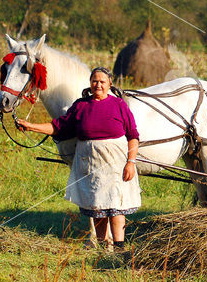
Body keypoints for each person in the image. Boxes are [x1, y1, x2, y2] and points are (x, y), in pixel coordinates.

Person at [17, 67, 140, 250]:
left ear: (110, 84)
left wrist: (131, 162)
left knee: (116, 205)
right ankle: (102, 245)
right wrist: (30, 126)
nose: (98, 85)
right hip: (90, 164)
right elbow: (58, 127)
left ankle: (120, 248)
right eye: (94, 81)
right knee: (97, 206)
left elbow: (133, 135)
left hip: (116, 163)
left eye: (102, 82)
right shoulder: (81, 105)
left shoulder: (119, 105)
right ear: (90, 84)